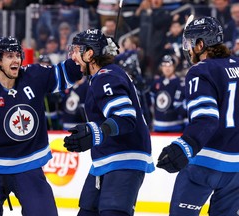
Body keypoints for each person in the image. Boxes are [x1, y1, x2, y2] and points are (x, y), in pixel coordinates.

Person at [0, 36, 82, 216]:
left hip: (29, 168)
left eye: (17, 55)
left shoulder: (34, 75)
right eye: (9, 56)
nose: (16, 60)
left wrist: (89, 53)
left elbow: (69, 72)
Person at [64, 29, 155, 216]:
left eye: (76, 50)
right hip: (106, 158)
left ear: (89, 54)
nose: (73, 55)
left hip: (123, 158)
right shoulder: (103, 76)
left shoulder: (106, 76)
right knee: (87, 211)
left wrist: (96, 132)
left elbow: (125, 117)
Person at [157, 16, 239, 215]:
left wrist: (184, 146)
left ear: (201, 44)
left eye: (189, 43)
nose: (187, 48)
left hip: (205, 164)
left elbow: (206, 118)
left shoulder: (201, 70)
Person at [149, 54, 187, 132]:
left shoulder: (179, 83)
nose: (167, 68)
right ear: (161, 67)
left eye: (169, 65)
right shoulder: (157, 82)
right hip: (158, 126)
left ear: (174, 67)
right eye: (164, 65)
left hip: (176, 126)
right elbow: (151, 103)